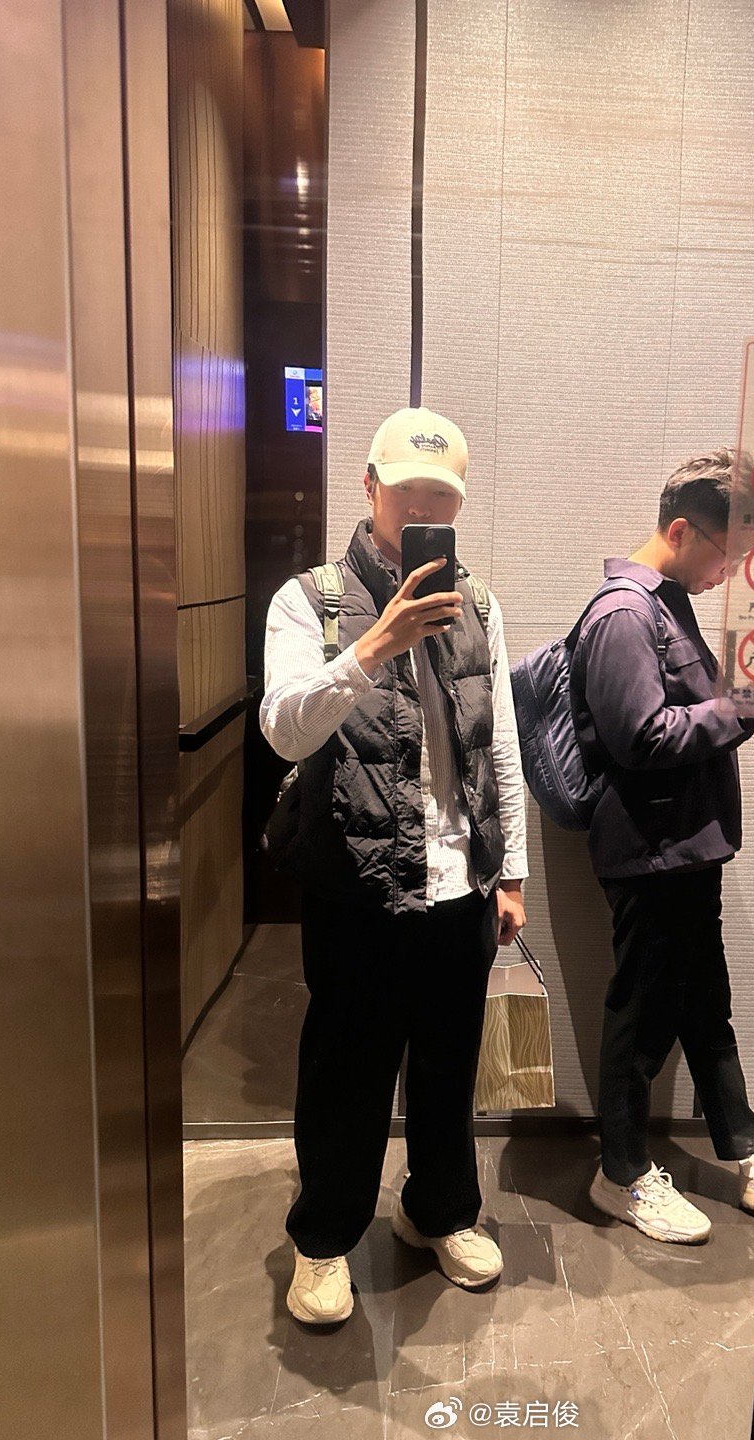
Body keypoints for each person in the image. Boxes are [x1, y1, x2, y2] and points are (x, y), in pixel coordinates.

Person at [259, 406, 528, 1323]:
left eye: (440, 498)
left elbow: (501, 748)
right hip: (359, 886)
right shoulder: (312, 600)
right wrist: (376, 646)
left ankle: (439, 1211)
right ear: (370, 486)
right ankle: (324, 1239)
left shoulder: (480, 605)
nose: (422, 509)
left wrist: (512, 874)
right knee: (347, 1072)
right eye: (407, 491)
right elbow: (284, 728)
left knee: (449, 1067)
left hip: (460, 882)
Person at [568, 448, 754, 1244]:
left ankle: (744, 1142)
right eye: (726, 554)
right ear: (679, 531)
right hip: (652, 851)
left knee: (704, 1002)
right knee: (641, 1015)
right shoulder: (624, 615)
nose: (728, 572)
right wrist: (749, 707)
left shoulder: (663, 605)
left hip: (682, 848)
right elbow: (641, 737)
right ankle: (621, 1174)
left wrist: (744, 705)